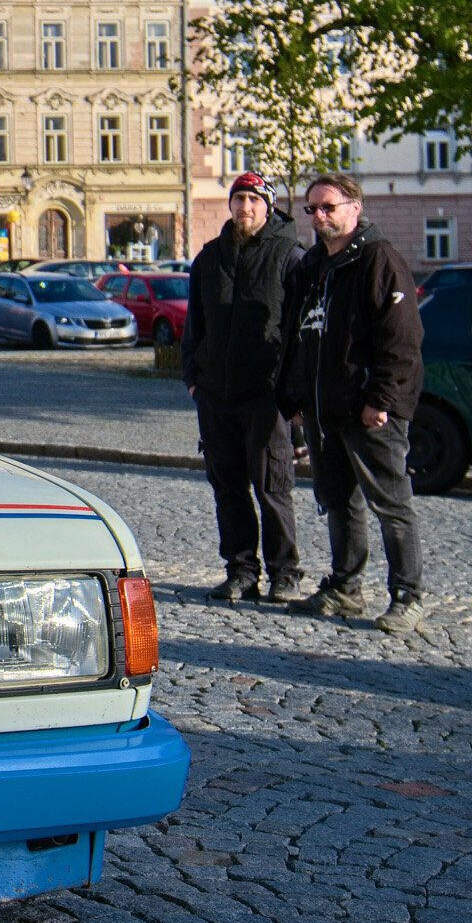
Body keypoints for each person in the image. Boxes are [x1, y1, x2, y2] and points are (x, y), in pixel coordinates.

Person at [277, 173, 426, 632]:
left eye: (329, 207)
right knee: (338, 502)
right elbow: (298, 337)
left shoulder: (380, 259)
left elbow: (402, 340)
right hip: (325, 411)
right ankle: (345, 589)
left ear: (354, 207)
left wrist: (381, 399)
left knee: (391, 503)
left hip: (368, 408)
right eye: (312, 209)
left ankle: (408, 596)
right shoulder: (313, 267)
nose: (320, 217)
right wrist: (295, 399)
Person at [182, 172, 305, 603]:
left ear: (267, 207)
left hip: (266, 395)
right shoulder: (209, 258)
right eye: (239, 200)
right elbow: (193, 326)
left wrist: (293, 394)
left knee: (273, 486)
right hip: (216, 394)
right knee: (228, 488)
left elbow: (300, 331)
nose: (245, 208)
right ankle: (241, 571)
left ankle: (284, 574)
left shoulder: (290, 257)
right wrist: (194, 380)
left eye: (253, 200)